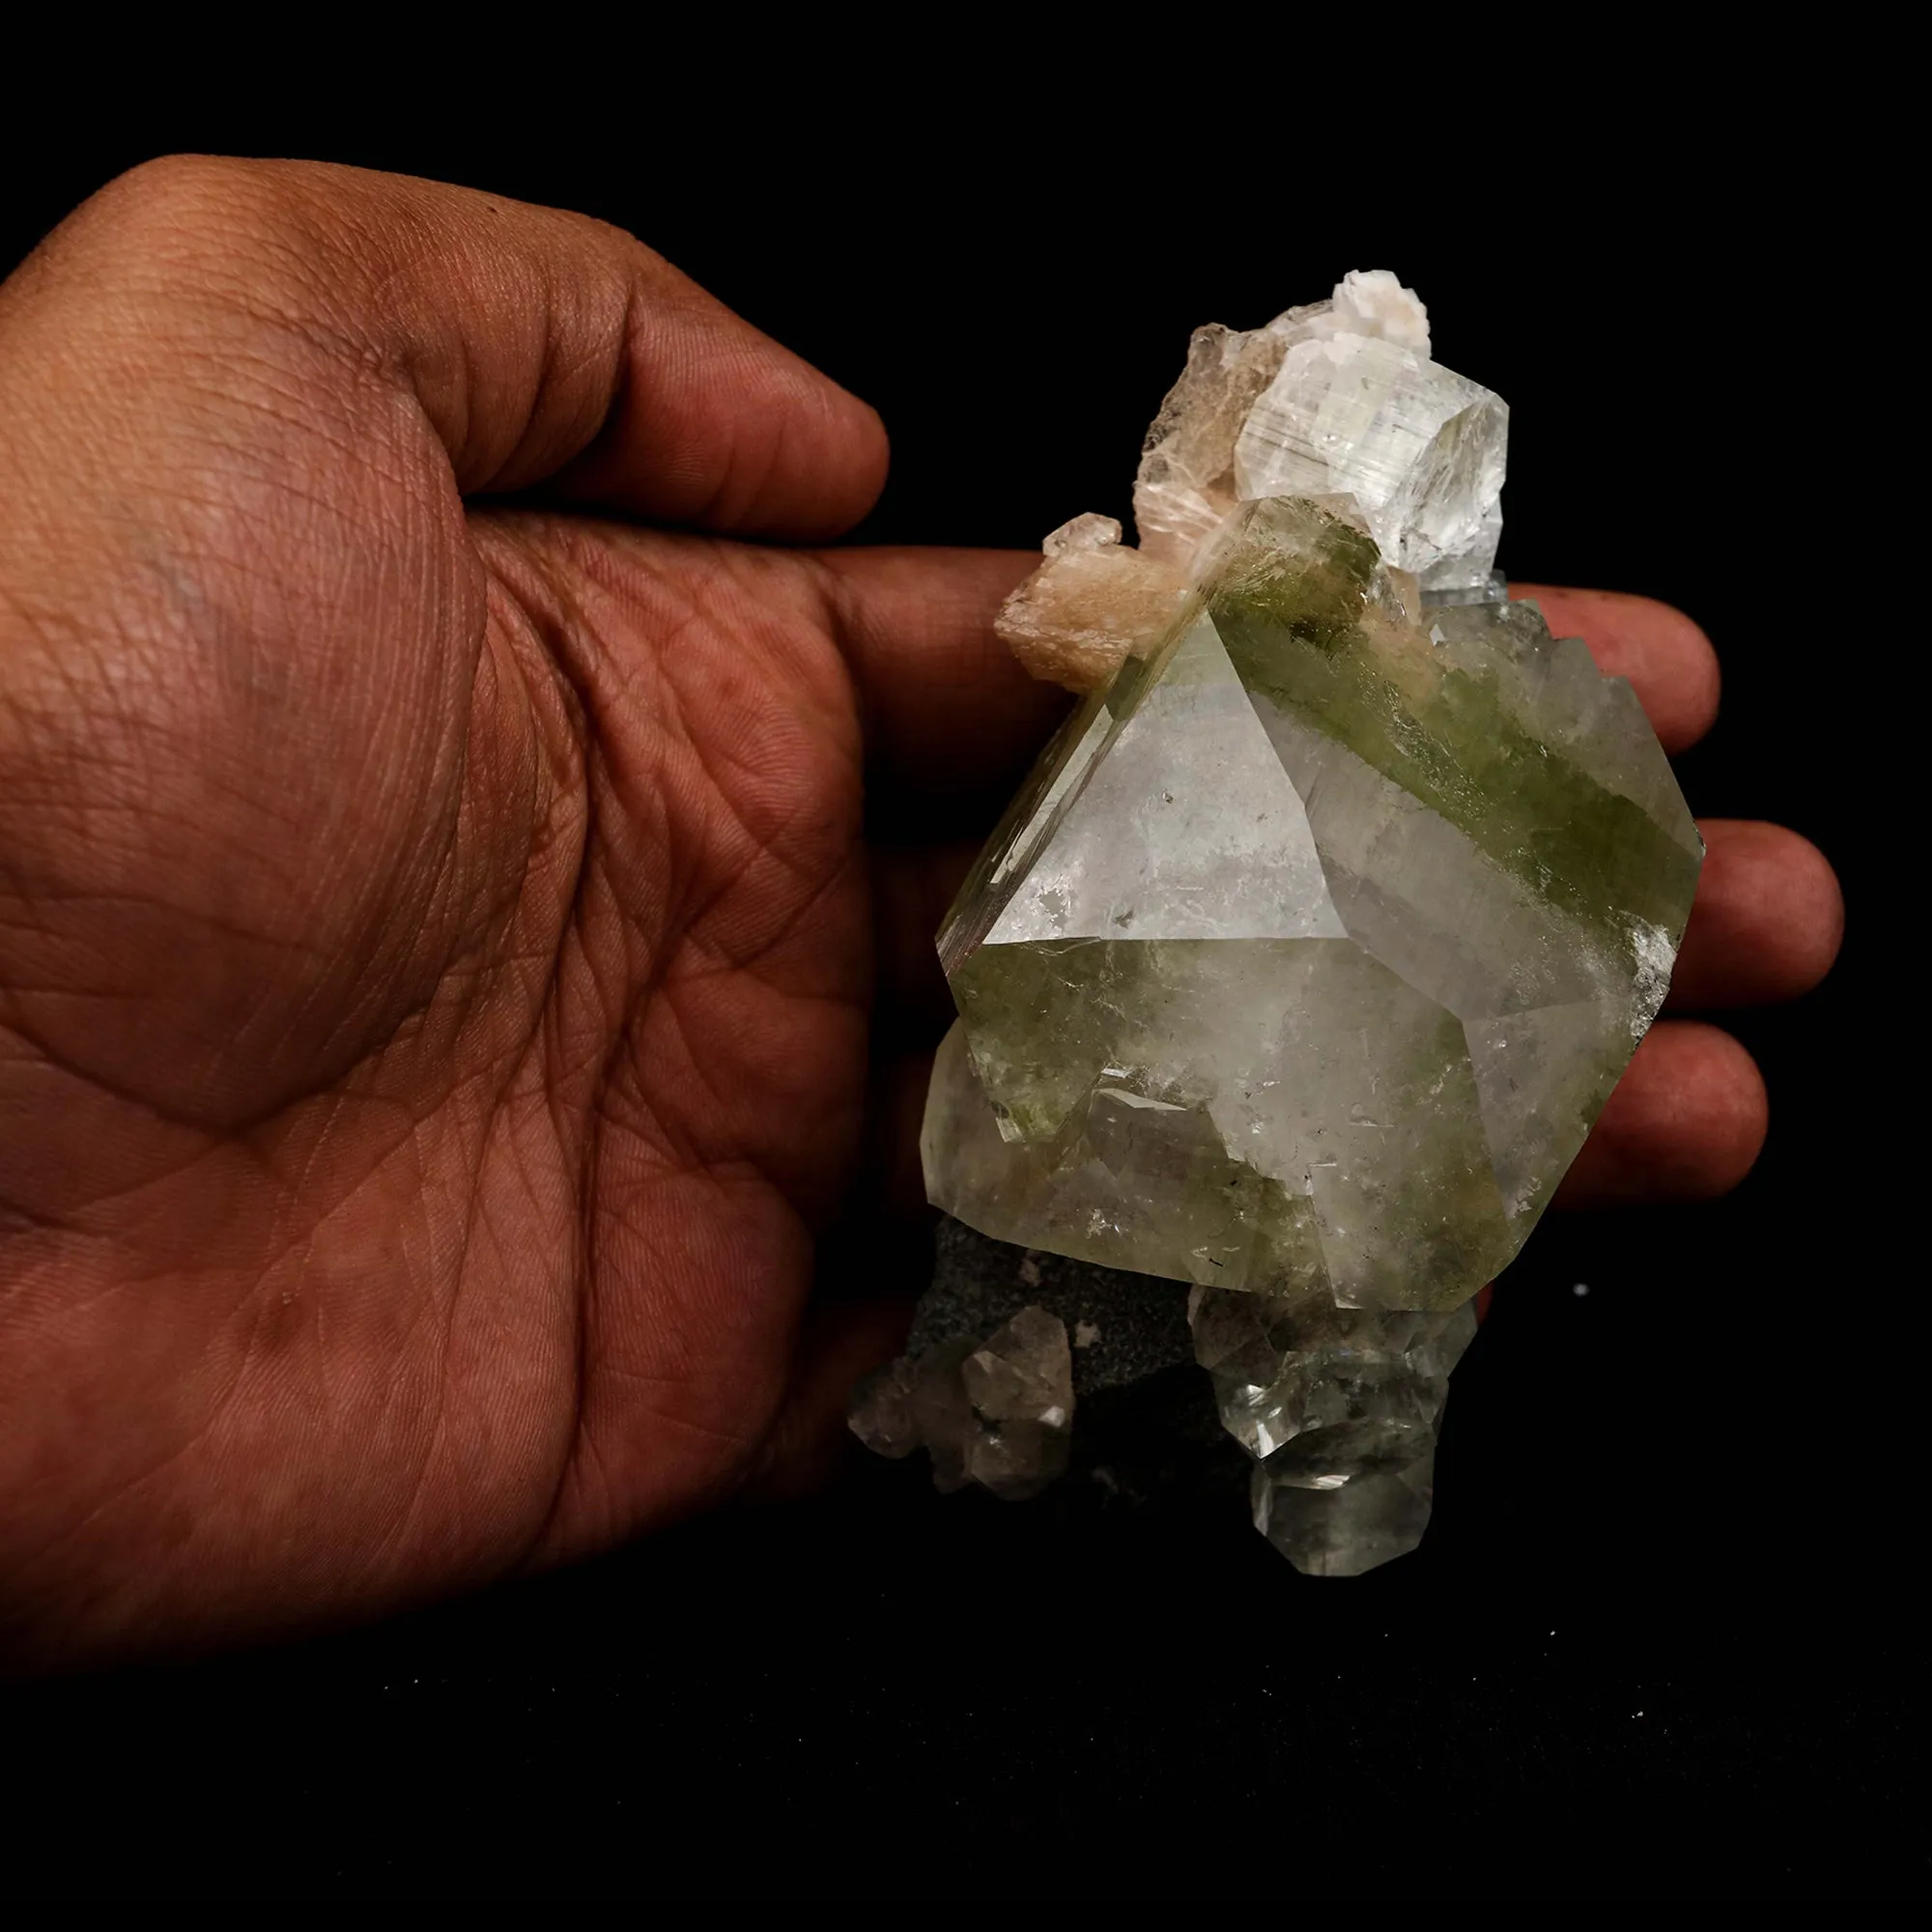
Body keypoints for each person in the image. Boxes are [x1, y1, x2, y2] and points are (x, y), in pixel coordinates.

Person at [0, 159, 1842, 1669]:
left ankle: (1227, 1401)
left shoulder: (1435, 739)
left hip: (1276, 1152)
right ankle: (1167, 1400)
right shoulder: (1310, 709)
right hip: (1166, 1138)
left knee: (1262, 1269)